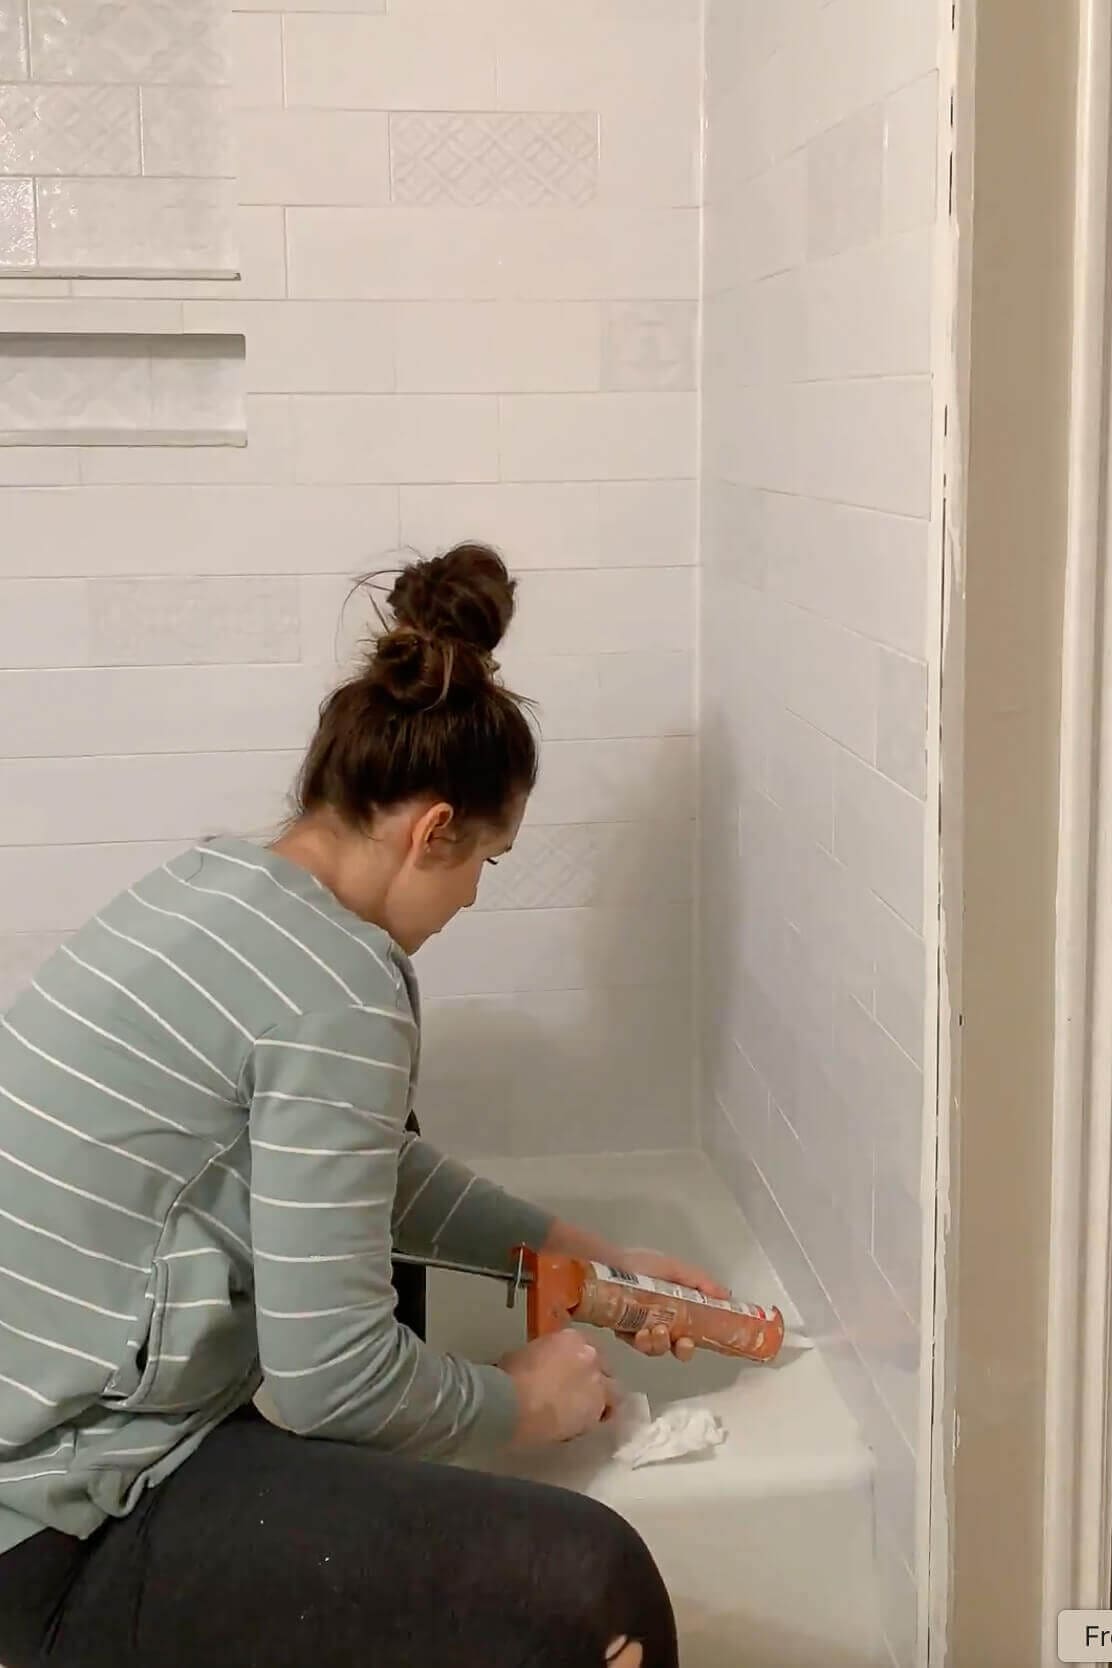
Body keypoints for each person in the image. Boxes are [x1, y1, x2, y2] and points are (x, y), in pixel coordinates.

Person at [0, 545, 727, 1668]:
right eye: (485, 858)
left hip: (44, 1427)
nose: (477, 892)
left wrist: (583, 1262)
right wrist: (516, 1404)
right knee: (597, 1587)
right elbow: (329, 1375)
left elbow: (363, 1162)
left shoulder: (224, 888)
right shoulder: (338, 988)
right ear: (431, 830)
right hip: (50, 1526)